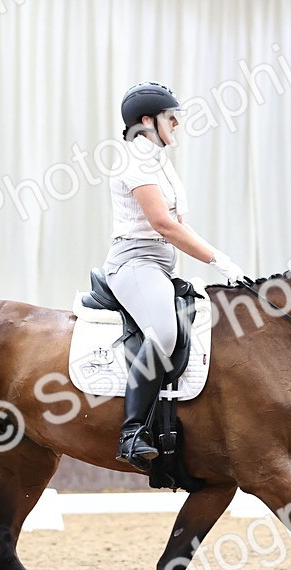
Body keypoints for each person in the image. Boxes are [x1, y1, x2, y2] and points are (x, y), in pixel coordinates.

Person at [104, 82, 246, 470]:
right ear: (147, 121)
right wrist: (219, 259)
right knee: (164, 332)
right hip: (135, 264)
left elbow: (182, 226)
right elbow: (164, 225)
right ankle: (131, 433)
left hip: (163, 265)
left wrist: (221, 265)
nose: (177, 125)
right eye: (172, 118)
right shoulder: (134, 160)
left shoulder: (161, 164)